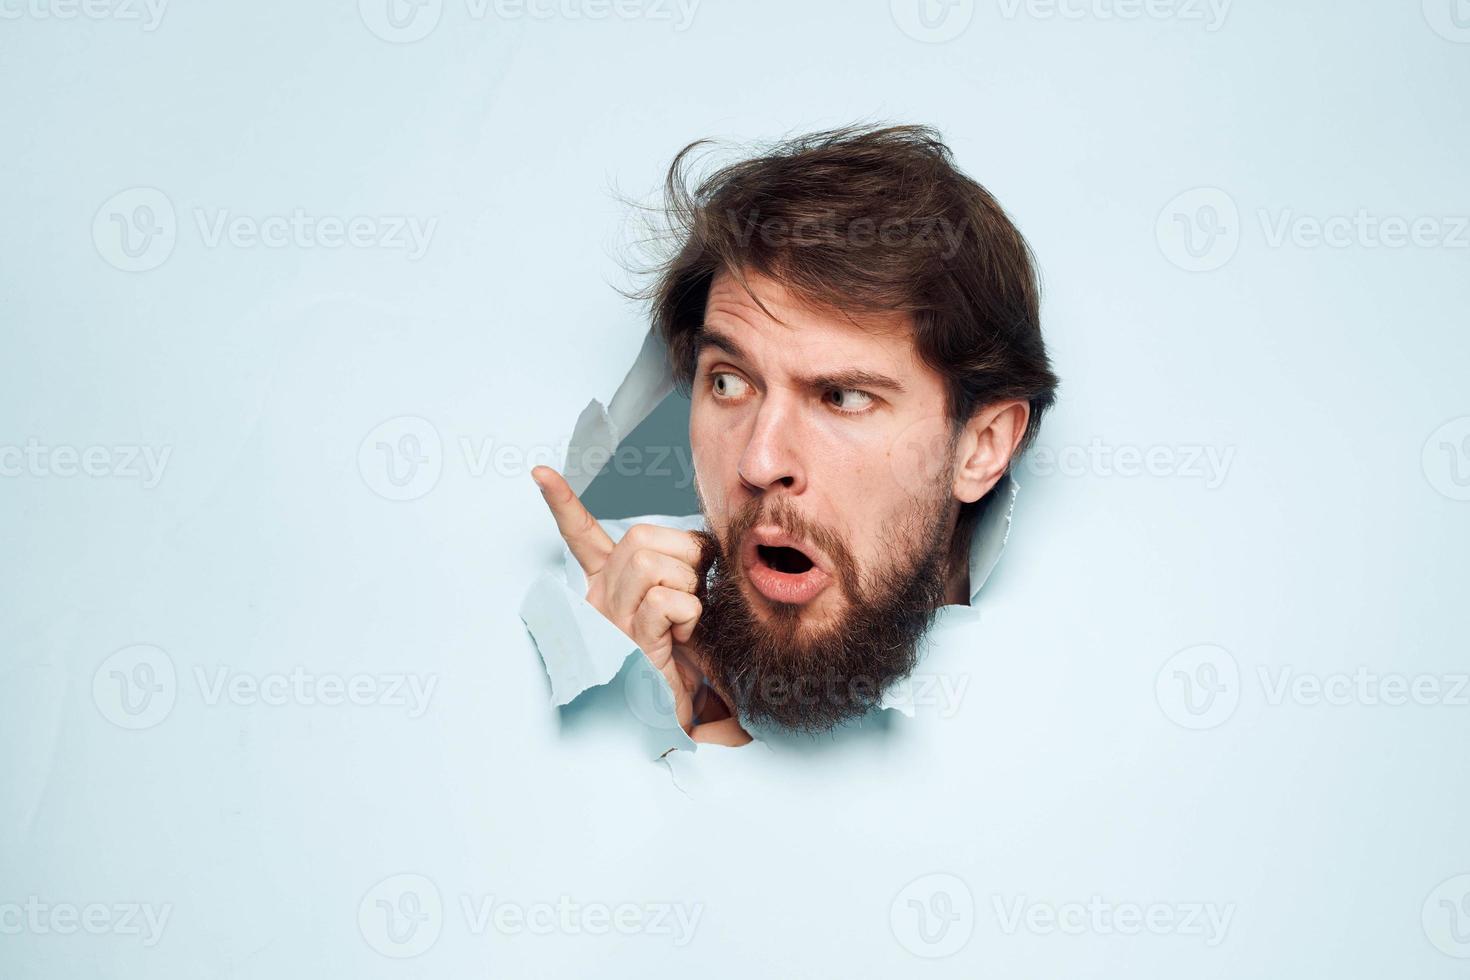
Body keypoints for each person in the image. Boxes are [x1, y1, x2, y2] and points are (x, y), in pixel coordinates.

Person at [528, 124, 1058, 747]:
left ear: (982, 446)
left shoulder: (1044, 720)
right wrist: (681, 704)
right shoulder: (605, 620)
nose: (758, 461)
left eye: (844, 397)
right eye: (729, 383)